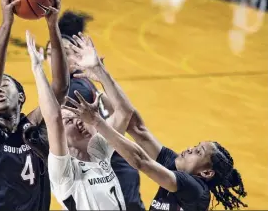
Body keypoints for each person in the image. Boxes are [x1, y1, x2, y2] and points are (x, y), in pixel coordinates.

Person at [63, 33, 248, 211]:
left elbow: (141, 161)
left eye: (198, 152)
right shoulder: (175, 164)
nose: (191, 148)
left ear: (206, 173)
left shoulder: (195, 189)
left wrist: (98, 122)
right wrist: (100, 71)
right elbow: (136, 126)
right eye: (196, 146)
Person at [0, 0, 69, 211]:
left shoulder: (33, 129)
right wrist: (6, 23)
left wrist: (53, 25)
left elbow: (60, 89)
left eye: (7, 83)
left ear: (21, 97)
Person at [26, 30, 139, 210]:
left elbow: (124, 112)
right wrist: (37, 69)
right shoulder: (64, 172)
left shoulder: (98, 151)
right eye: (70, 122)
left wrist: (100, 71)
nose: (79, 122)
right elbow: (54, 119)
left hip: (125, 169)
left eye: (78, 117)